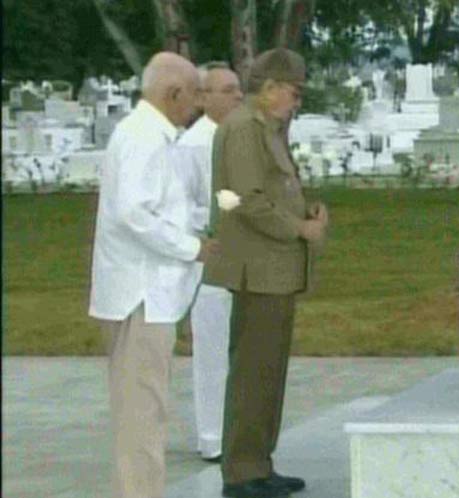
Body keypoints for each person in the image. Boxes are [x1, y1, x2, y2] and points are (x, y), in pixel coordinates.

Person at [88, 51, 218, 498]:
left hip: (151, 294)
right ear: (173, 93)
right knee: (141, 416)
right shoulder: (143, 136)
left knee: (147, 412)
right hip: (139, 295)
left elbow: (168, 206)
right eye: (196, 94)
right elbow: (134, 214)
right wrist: (192, 247)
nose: (199, 105)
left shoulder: (157, 136)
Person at [203, 48, 328, 498]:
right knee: (252, 374)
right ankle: (240, 472)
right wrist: (301, 228)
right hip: (258, 271)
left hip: (275, 270)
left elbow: (273, 190)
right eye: (292, 93)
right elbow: (245, 199)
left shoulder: (265, 128)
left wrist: (304, 211)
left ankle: (258, 463)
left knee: (267, 374)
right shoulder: (242, 129)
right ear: (271, 87)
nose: (295, 102)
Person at [178, 61, 243, 462]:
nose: (237, 96)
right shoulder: (194, 145)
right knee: (213, 347)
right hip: (211, 256)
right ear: (203, 98)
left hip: (242, 253)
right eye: (226, 90)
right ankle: (213, 437)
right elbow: (184, 206)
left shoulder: (232, 137)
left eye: (238, 89)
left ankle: (237, 434)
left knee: (239, 348)